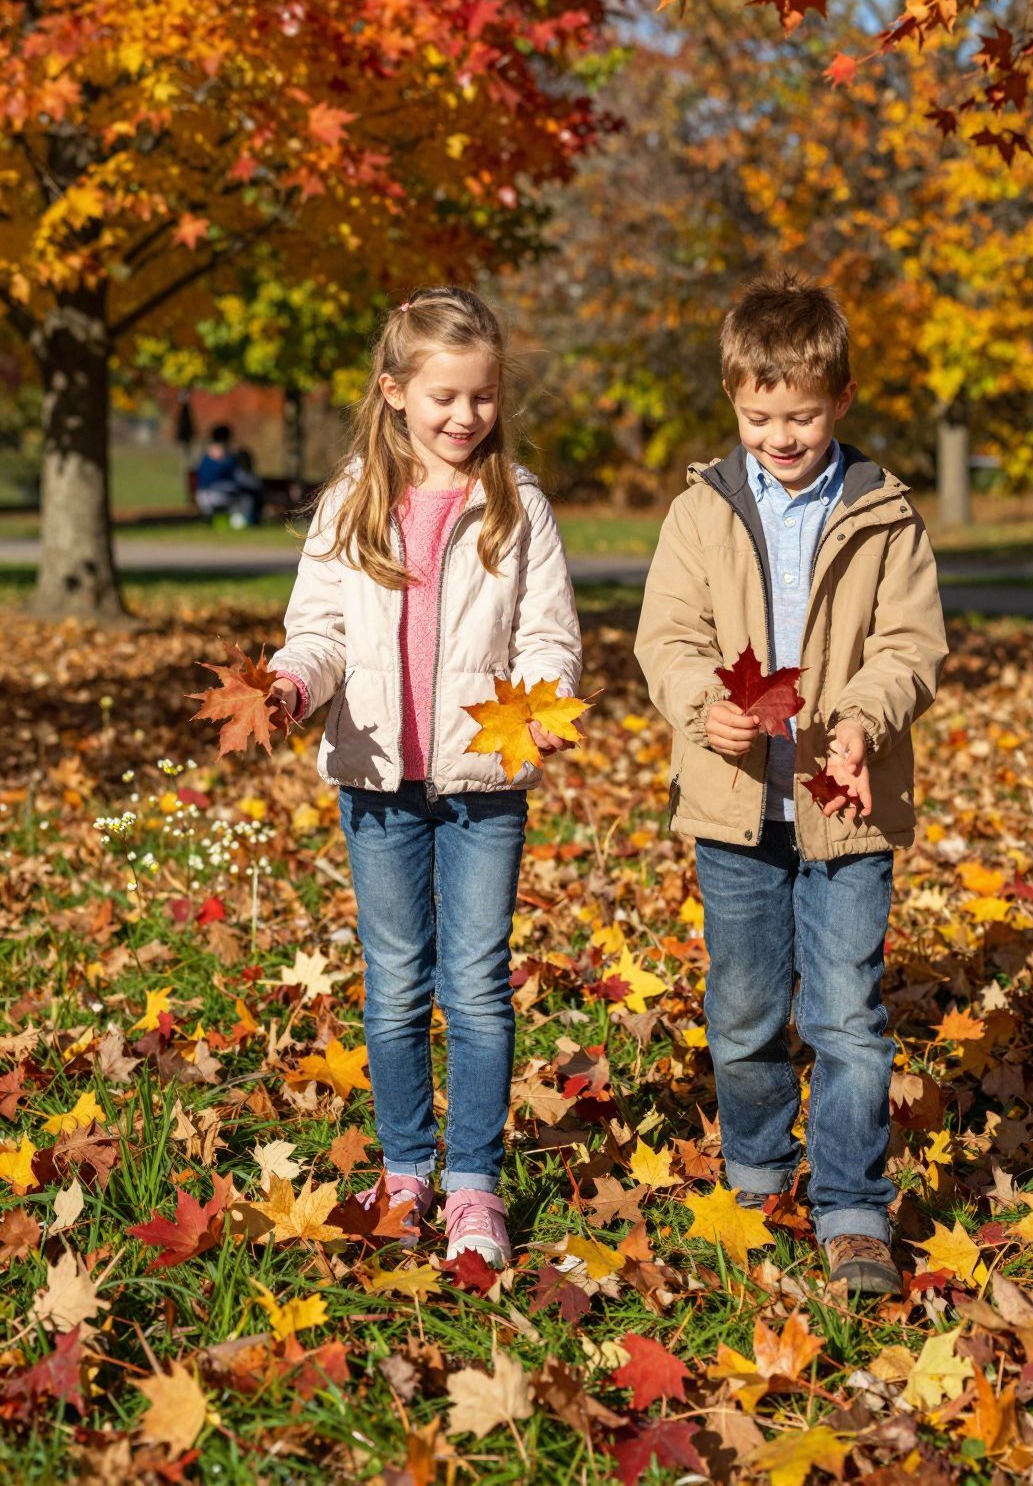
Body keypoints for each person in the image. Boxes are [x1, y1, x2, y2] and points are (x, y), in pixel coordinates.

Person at [634, 271, 947, 1296]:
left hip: (846, 804)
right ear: (734, 401)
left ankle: (853, 1201)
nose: (781, 433)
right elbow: (669, 634)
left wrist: (861, 716)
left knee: (849, 1010)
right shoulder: (701, 510)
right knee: (746, 1005)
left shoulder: (884, 513)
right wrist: (699, 702)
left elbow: (912, 642)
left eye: (803, 413)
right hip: (735, 804)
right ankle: (762, 1170)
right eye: (760, 413)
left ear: (841, 399)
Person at [268, 288, 581, 1269]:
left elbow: (548, 631)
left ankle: (474, 1184)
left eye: (482, 396)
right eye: (445, 395)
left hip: (484, 781)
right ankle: (406, 1169)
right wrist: (291, 683)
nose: (465, 416)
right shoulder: (353, 499)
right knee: (397, 983)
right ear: (395, 391)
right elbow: (317, 628)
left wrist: (543, 702)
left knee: (479, 987)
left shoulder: (516, 501)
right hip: (376, 785)